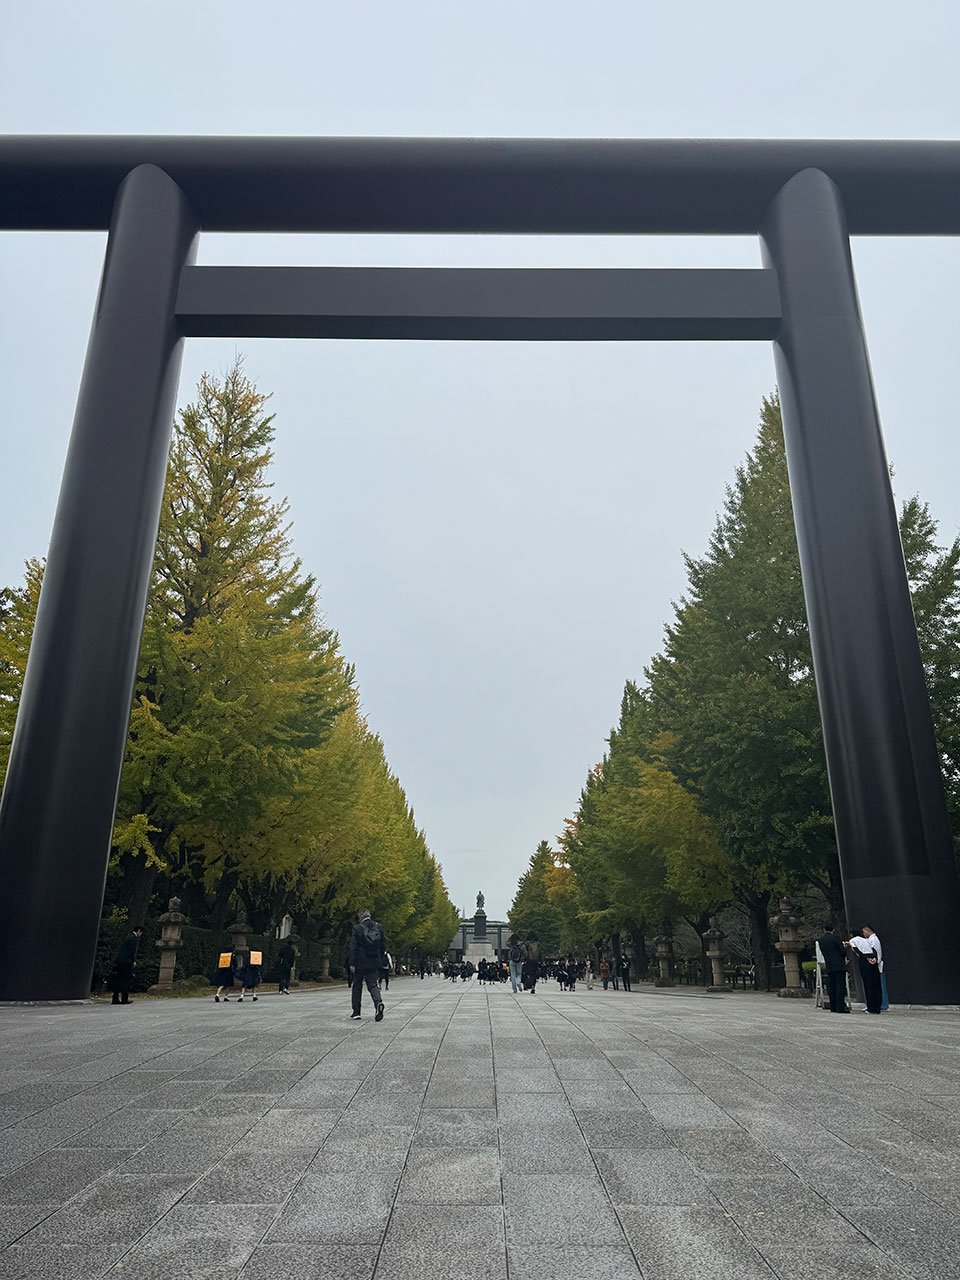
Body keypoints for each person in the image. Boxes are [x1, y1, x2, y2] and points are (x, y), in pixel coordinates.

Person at [347, 908, 386, 1021]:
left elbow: (353, 947)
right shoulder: (378, 927)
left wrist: (351, 962)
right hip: (374, 960)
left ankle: (356, 1011)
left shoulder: (357, 928)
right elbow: (383, 945)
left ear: (360, 917)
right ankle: (378, 1003)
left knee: (357, 985)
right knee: (373, 984)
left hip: (360, 961)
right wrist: (379, 958)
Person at [848, 927, 882, 1014]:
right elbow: (873, 949)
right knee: (876, 984)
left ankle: (871, 1007)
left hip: (865, 960)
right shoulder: (866, 940)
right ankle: (877, 1007)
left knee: (868, 984)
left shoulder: (853, 941)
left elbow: (857, 950)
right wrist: (874, 958)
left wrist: (866, 959)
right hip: (873, 959)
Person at [817, 924, 849, 1013]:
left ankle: (833, 1006)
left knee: (832, 986)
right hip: (839, 964)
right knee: (840, 986)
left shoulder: (821, 940)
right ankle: (840, 1007)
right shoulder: (836, 938)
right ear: (833, 930)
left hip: (829, 964)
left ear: (824, 929)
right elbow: (842, 951)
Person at [111, 926, 143, 1005]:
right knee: (125, 980)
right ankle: (124, 998)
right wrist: (133, 961)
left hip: (120, 961)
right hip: (126, 962)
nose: (140, 934)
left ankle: (115, 998)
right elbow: (131, 951)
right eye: (141, 932)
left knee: (119, 980)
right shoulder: (133, 939)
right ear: (138, 931)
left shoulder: (128, 937)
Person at [864, 926, 888, 1010]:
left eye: (864, 932)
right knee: (878, 985)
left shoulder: (873, 940)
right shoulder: (872, 939)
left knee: (879, 986)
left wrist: (874, 960)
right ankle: (880, 1004)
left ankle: (882, 1004)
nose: (863, 934)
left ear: (867, 931)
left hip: (876, 965)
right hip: (876, 964)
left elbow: (875, 952)